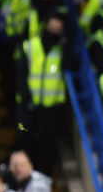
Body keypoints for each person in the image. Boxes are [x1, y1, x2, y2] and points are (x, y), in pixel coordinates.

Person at [14, 12, 78, 176]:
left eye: (58, 30)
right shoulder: (29, 46)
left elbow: (70, 63)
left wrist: (66, 44)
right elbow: (19, 74)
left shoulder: (61, 49)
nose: (53, 33)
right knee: (24, 140)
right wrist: (27, 98)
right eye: (51, 28)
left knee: (47, 148)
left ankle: (41, 178)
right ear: (44, 27)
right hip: (27, 107)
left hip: (51, 110)